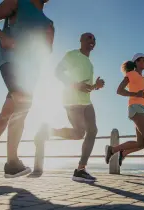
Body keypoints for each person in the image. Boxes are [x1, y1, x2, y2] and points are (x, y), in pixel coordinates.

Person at [0, 0, 54, 178]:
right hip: (12, 61)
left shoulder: (48, 22)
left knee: (8, 111)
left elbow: (46, 50)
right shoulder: (18, 2)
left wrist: (48, 39)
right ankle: (12, 163)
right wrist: (2, 36)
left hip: (31, 69)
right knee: (23, 105)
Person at [47, 33, 104, 182]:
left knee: (92, 131)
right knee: (79, 133)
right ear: (80, 41)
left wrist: (95, 86)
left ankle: (80, 169)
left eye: (94, 39)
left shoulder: (89, 63)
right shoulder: (72, 55)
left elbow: (86, 87)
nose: (92, 41)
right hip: (71, 100)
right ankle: (49, 131)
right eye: (88, 38)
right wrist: (75, 84)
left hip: (86, 101)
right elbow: (57, 72)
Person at [105, 53, 144, 182]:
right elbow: (119, 90)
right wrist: (135, 93)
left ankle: (113, 150)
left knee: (141, 143)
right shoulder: (131, 74)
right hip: (135, 108)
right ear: (137, 62)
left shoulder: (142, 79)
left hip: (143, 110)